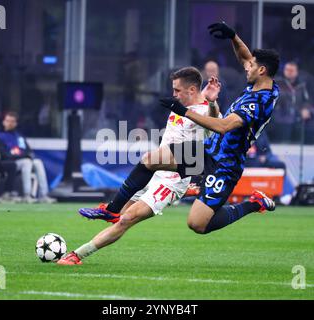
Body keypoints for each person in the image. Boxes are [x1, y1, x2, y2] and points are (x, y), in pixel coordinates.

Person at [58, 21, 280, 265]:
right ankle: (112, 209)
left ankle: (253, 204)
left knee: (197, 224)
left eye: (252, 65)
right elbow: (246, 56)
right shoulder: (258, 82)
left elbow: (224, 126)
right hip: (205, 152)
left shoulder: (259, 102)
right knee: (150, 160)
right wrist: (234, 36)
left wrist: (182, 111)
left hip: (225, 164)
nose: (246, 66)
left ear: (262, 71)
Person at [58, 70, 221, 265]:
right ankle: (106, 216)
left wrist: (212, 101)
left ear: (191, 89)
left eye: (177, 90)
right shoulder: (183, 103)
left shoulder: (206, 110)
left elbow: (215, 123)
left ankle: (77, 255)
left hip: (172, 182)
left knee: (127, 219)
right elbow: (196, 97)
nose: (174, 94)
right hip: (154, 172)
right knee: (119, 219)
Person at [0, 111, 56, 203]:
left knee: (38, 162)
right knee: (26, 162)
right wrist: (20, 155)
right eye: (7, 121)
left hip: (23, 160)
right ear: (3, 122)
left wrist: (25, 155)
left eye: (12, 121)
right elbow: (3, 154)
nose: (9, 123)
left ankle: (43, 195)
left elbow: (28, 151)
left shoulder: (19, 136)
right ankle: (27, 195)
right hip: (10, 163)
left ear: (15, 123)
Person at [272, 61, 314, 143]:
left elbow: (307, 100)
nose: (289, 72)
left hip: (297, 118)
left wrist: (305, 109)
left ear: (297, 72)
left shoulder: (302, 85)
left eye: (292, 70)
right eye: (287, 70)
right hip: (281, 118)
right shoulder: (277, 83)